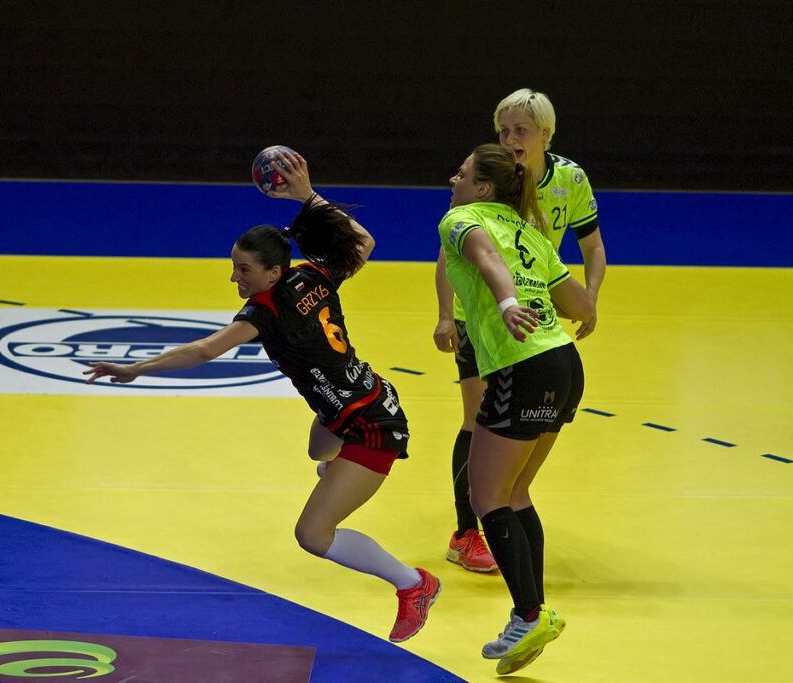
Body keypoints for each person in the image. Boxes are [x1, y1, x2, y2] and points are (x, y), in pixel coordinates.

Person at [84, 150, 440, 643]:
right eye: (234, 267)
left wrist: (135, 369)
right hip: (354, 400)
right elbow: (364, 241)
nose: (235, 278)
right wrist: (307, 196)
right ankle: (336, 471)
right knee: (318, 449)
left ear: (273, 273)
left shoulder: (264, 310)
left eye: (243, 270)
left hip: (372, 426)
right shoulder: (314, 274)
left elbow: (205, 349)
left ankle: (413, 584)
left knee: (312, 535)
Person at [433, 88, 607, 574]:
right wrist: (446, 314)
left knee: (516, 435)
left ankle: (507, 511)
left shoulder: (568, 179)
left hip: (534, 315)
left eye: (521, 131)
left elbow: (592, 246)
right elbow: (456, 251)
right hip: (481, 316)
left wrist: (589, 299)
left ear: (545, 134)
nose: (510, 139)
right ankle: (466, 533)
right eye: (504, 130)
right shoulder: (484, 176)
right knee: (476, 419)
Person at [437, 143, 594, 674]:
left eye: (461, 174)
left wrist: (505, 303)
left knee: (486, 497)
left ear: (482, 188)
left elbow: (484, 256)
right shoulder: (531, 232)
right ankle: (534, 613)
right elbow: (579, 305)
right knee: (516, 492)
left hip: (520, 365)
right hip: (564, 364)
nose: (453, 180)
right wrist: (587, 306)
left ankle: (528, 614)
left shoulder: (461, 220)